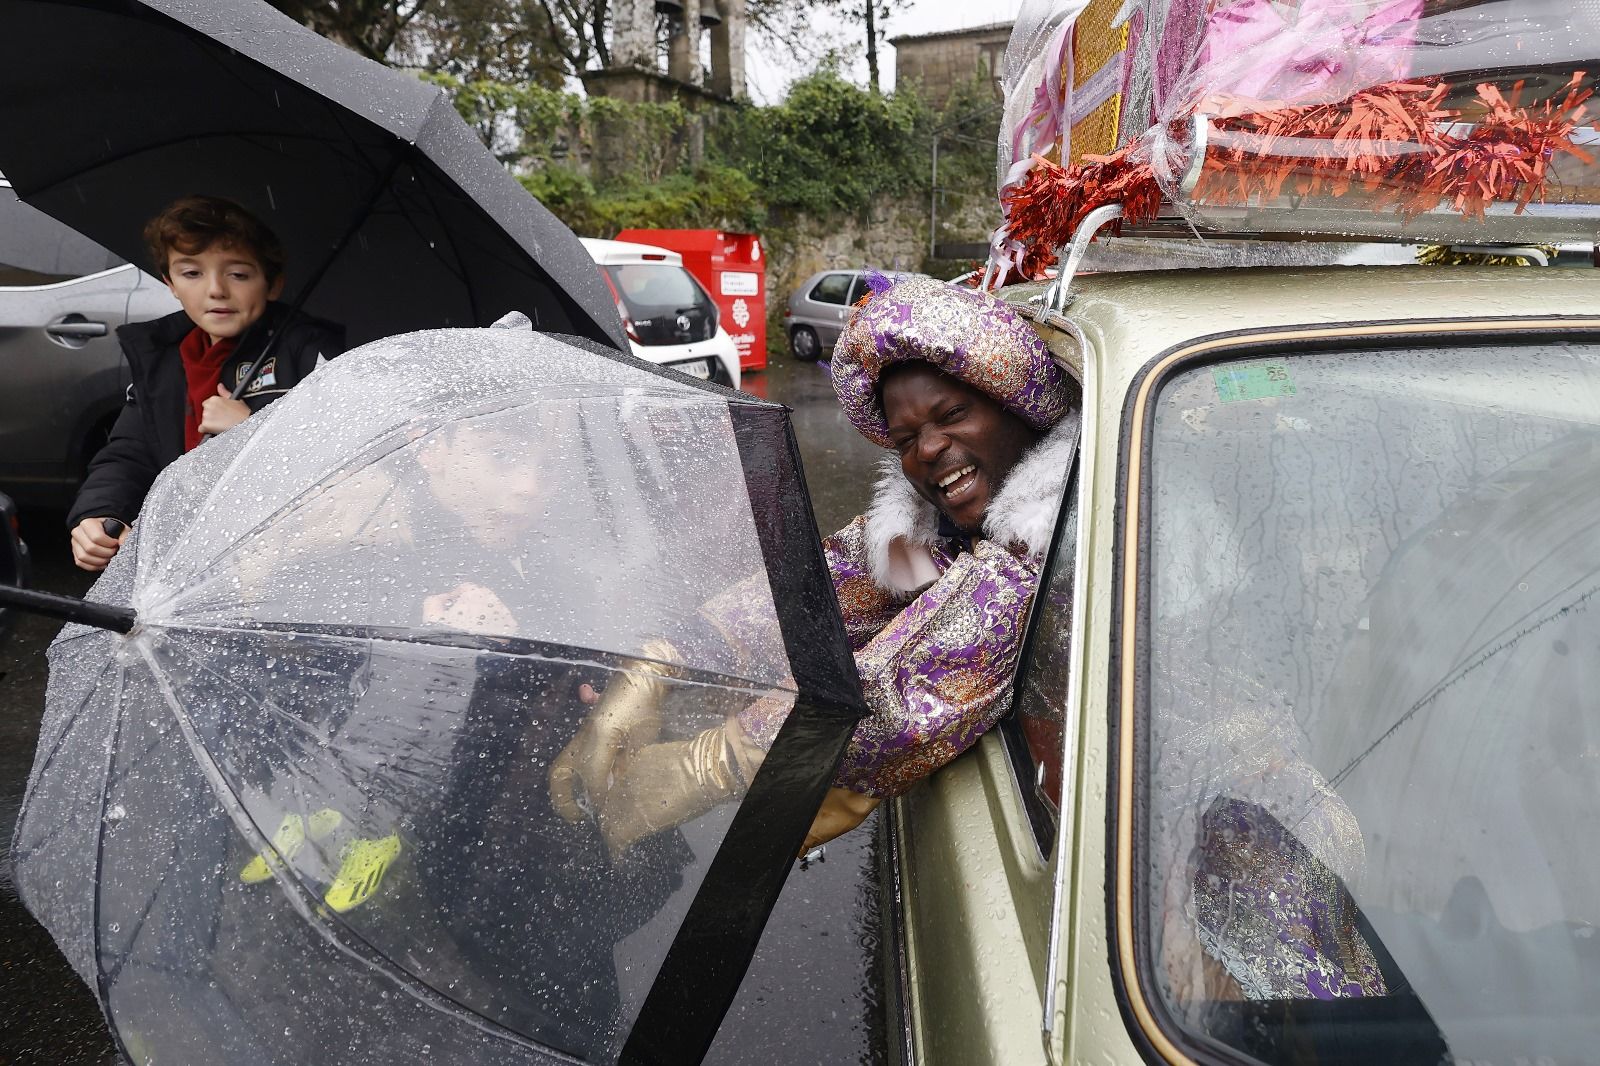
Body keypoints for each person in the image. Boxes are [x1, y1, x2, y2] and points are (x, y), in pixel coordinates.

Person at [550, 271, 1083, 854]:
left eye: (952, 414)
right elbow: (819, 592)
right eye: (905, 440)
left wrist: (717, 762)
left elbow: (911, 693)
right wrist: (664, 660)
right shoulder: (932, 530)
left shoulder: (1057, 543)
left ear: (1016, 405)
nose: (927, 449)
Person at [67, 194, 343, 572]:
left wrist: (253, 434)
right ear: (170, 283)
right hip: (187, 567)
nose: (215, 290)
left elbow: (349, 461)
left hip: (285, 565)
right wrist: (99, 512)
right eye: (192, 273)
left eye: (238, 274)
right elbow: (129, 453)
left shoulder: (309, 352)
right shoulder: (162, 357)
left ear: (273, 284)